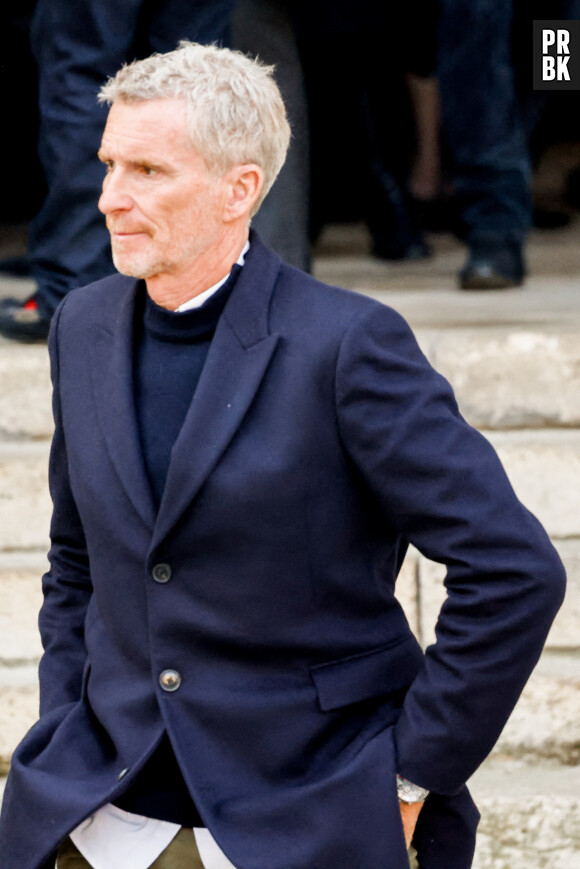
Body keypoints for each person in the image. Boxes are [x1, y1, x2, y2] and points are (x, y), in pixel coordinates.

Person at [0, 42, 566, 869]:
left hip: (310, 814)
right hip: (104, 813)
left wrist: (409, 779)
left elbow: (516, 570)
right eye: (109, 164)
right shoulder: (80, 325)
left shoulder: (348, 345)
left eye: (149, 171)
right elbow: (76, 559)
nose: (112, 198)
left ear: (241, 190)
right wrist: (66, 719)